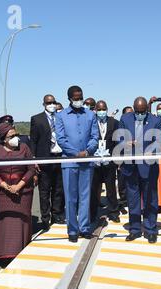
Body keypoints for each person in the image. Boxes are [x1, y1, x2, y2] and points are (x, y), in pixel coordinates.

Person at [56, 86, 99, 243]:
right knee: (71, 198)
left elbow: (95, 136)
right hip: (69, 162)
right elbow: (61, 139)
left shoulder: (90, 115)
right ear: (69, 99)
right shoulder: (61, 116)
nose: (79, 100)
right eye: (75, 98)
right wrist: (75, 153)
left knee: (85, 196)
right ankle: (72, 230)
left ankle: (85, 227)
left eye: (80, 97)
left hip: (86, 161)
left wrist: (87, 151)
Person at [0, 124, 36, 260]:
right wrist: (4, 186)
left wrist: (19, 186)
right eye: (11, 136)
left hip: (23, 192)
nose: (16, 138)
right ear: (3, 139)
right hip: (2, 194)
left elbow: (31, 168)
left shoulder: (24, 148)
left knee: (21, 221)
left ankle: (20, 251)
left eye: (16, 135)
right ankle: (3, 252)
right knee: (4, 222)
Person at [118, 97, 161, 244]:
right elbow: (119, 138)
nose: (140, 114)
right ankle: (135, 229)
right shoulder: (125, 119)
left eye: (142, 112)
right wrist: (126, 143)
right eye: (137, 112)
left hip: (148, 167)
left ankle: (150, 229)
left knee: (150, 199)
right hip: (130, 167)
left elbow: (159, 141)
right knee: (133, 200)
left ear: (147, 110)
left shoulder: (155, 121)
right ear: (133, 109)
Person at [30, 95, 66, 231]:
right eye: (49, 102)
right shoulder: (37, 119)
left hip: (59, 156)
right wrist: (34, 159)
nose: (51, 104)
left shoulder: (61, 117)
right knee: (44, 191)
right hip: (45, 158)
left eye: (53, 102)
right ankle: (45, 218)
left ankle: (56, 214)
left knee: (58, 189)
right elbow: (33, 140)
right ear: (44, 104)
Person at [90, 100, 120, 223]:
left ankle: (113, 212)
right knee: (94, 188)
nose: (102, 112)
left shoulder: (114, 123)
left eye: (104, 109)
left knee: (111, 188)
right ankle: (92, 213)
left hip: (109, 161)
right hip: (95, 161)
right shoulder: (91, 123)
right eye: (99, 110)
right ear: (95, 110)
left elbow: (118, 141)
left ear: (107, 109)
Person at [117, 107, 134, 208]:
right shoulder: (120, 126)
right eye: (128, 114)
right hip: (122, 157)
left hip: (134, 158)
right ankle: (123, 200)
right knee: (122, 180)